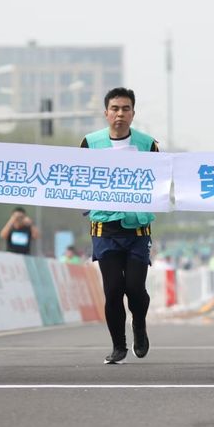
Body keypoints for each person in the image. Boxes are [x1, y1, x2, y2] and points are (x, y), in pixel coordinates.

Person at [80, 87, 159, 365]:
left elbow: (161, 180)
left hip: (137, 229)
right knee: (113, 289)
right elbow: (78, 177)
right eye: (115, 109)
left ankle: (139, 322)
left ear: (133, 113)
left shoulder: (147, 144)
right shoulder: (90, 142)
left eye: (125, 109)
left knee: (134, 288)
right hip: (105, 228)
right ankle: (118, 346)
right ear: (106, 113)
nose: (120, 114)